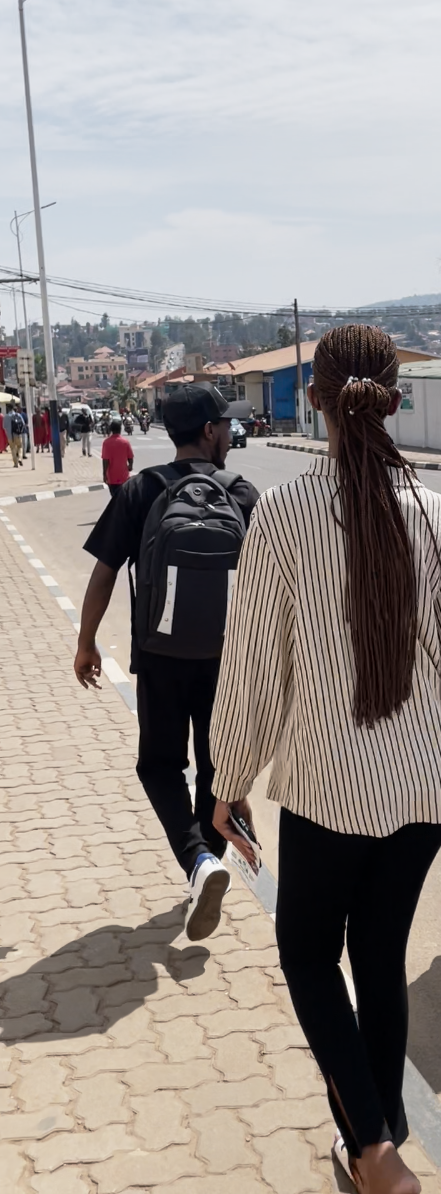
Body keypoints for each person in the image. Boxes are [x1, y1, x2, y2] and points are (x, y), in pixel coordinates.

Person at [209, 326, 441, 1194]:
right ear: (397, 400)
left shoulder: (283, 516)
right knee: (379, 955)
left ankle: (377, 1155)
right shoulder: (435, 516)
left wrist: (226, 780)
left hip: (325, 794)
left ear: (314, 400)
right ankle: (378, 1139)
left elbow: (251, 671)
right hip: (424, 797)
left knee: (311, 958)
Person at [74, 383, 258, 941]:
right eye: (225, 425)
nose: (230, 433)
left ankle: (200, 863)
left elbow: (104, 573)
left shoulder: (140, 491)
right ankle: (208, 861)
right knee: (217, 768)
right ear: (209, 431)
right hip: (228, 660)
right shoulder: (242, 493)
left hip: (158, 655)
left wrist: (86, 643)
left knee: (159, 765)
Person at [101, 418, 133, 497]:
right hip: (124, 476)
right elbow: (130, 457)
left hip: (112, 478)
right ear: (120, 429)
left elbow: (105, 460)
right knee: (124, 498)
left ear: (111, 429)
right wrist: (130, 466)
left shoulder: (106, 443)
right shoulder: (125, 442)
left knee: (114, 498)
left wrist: (104, 474)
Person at [4, 404, 24, 469]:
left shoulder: (6, 416)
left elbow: (3, 426)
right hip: (18, 434)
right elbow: (23, 424)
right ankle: (20, 458)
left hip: (10, 436)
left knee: (13, 449)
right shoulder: (18, 415)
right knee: (20, 446)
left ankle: (15, 463)